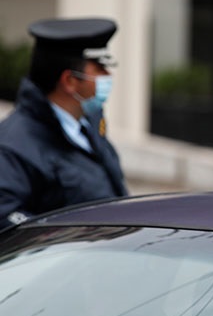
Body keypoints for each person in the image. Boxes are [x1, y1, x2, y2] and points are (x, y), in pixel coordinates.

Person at [0, 17, 128, 228]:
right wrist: (60, 237)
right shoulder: (13, 146)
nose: (108, 75)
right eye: (99, 68)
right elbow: (6, 217)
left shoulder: (90, 123)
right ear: (70, 81)